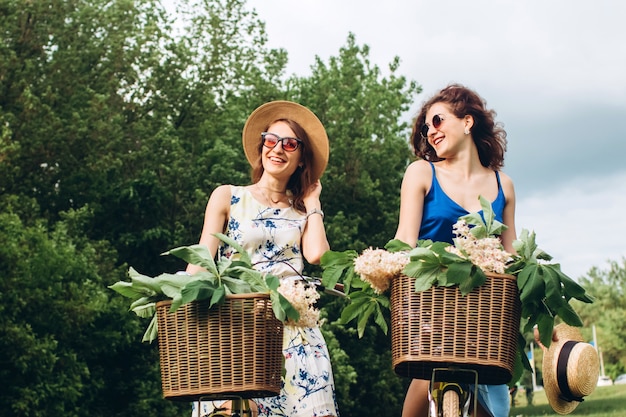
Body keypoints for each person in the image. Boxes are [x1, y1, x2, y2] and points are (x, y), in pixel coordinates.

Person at [187, 100, 339, 417]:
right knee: (236, 411)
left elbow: (317, 254)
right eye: (271, 140)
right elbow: (202, 258)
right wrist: (185, 295)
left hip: (292, 326)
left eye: (290, 144)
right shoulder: (228, 195)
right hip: (238, 321)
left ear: (300, 158)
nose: (278, 149)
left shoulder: (302, 210)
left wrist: (313, 201)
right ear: (262, 147)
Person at [394, 84, 517, 417]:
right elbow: (405, 241)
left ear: (467, 122)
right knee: (424, 382)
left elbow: (511, 258)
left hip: (484, 314)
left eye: (437, 121)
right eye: (426, 128)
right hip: (431, 308)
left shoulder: (502, 185)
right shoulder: (421, 172)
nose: (430, 132)